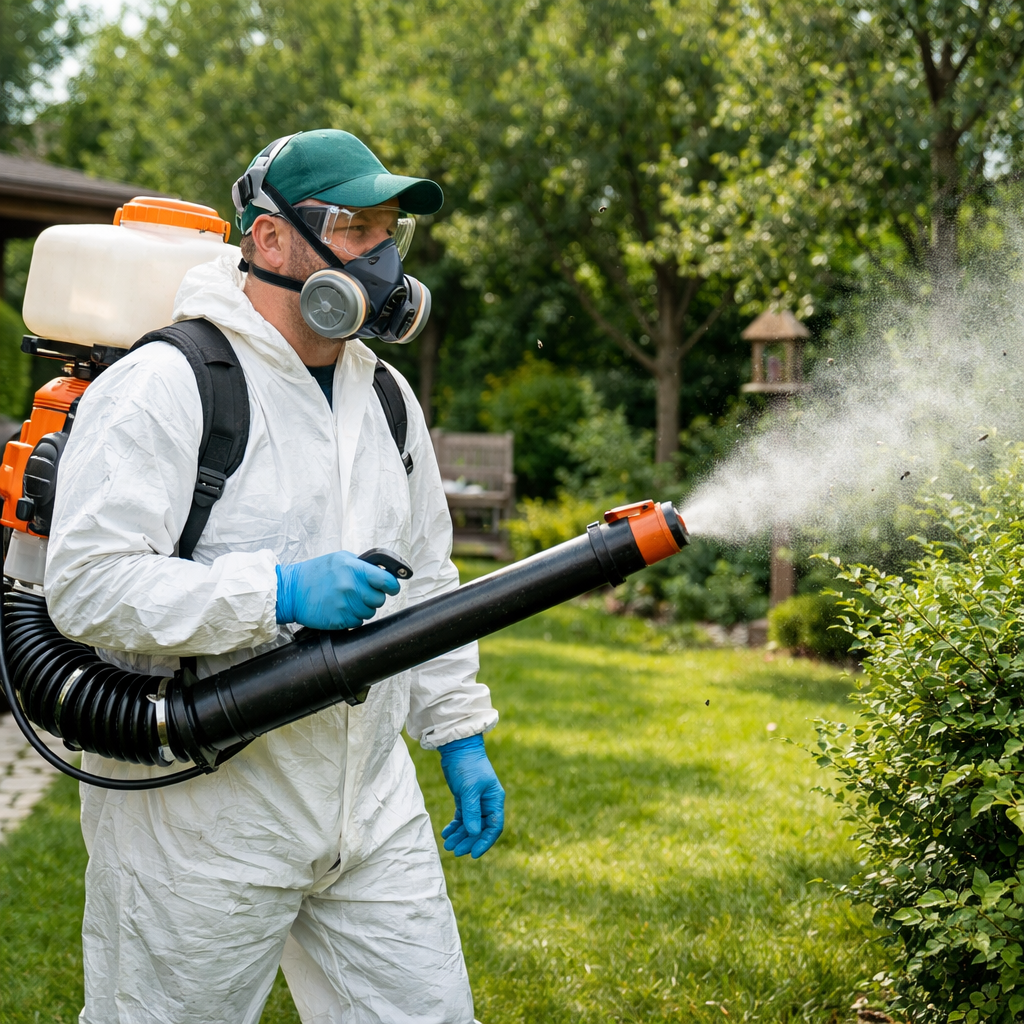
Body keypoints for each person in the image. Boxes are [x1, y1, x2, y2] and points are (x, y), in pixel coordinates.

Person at [45, 129, 504, 1024]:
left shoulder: (385, 397)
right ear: (269, 240)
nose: (381, 256)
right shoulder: (169, 383)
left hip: (369, 808)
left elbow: (432, 578)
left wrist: (458, 730)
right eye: (356, 227)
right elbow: (89, 586)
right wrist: (278, 595)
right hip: (203, 821)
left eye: (390, 233)